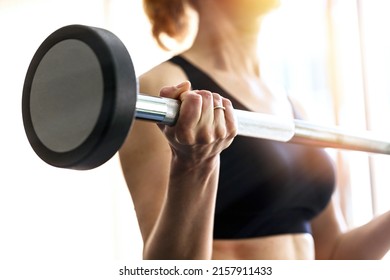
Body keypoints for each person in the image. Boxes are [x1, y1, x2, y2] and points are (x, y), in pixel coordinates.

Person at [119, 0, 390, 259]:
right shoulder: (164, 89)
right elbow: (169, 269)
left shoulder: (293, 105)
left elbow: (334, 254)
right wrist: (194, 164)